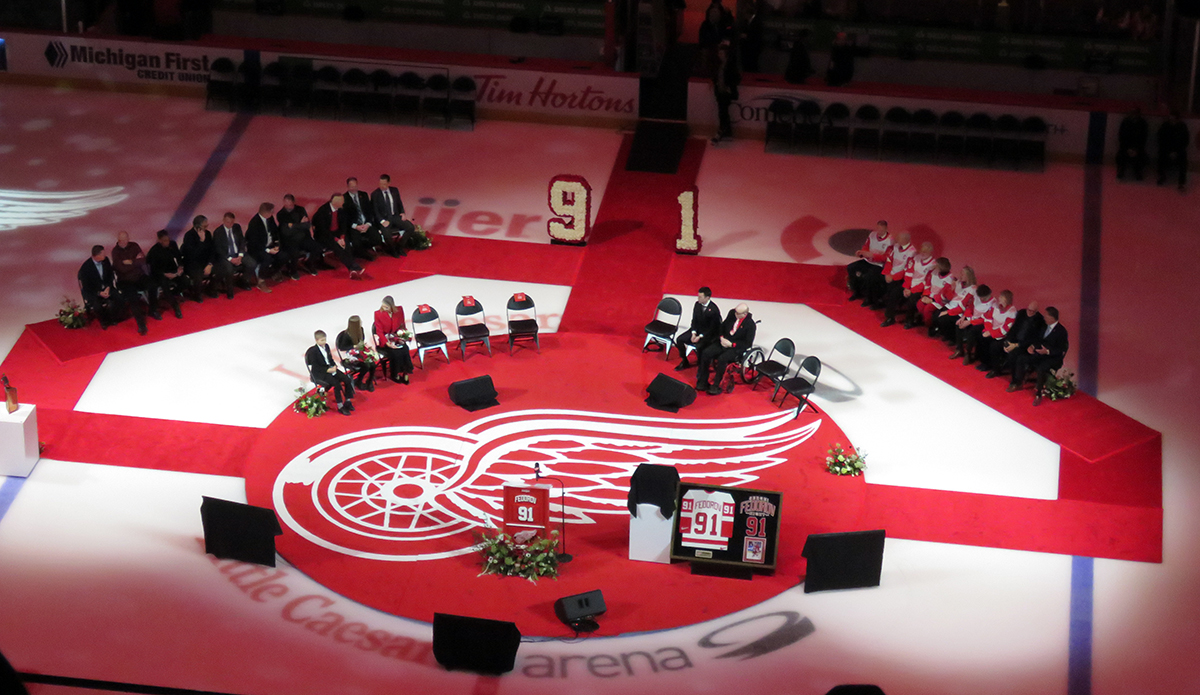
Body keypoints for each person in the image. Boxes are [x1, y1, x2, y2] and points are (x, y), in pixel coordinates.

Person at [1008, 306, 1069, 406]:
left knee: (1041, 368)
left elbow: (1061, 349)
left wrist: (1047, 351)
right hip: (1039, 353)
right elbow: (1037, 339)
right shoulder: (1044, 326)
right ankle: (1018, 382)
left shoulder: (1061, 331)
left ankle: (1039, 394)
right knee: (1021, 358)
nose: (1044, 317)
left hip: (1052, 357)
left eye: (1046, 316)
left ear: (1051, 318)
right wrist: (1032, 346)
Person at [79, 244, 146, 334]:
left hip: (107, 287)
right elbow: (87, 286)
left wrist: (108, 287)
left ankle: (114, 317)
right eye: (102, 254)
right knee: (97, 305)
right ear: (96, 256)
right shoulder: (86, 268)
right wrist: (99, 292)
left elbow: (110, 275)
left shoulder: (105, 260)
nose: (105, 255)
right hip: (94, 291)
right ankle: (104, 321)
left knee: (119, 298)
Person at [698, 303, 755, 396]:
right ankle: (702, 381)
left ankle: (716, 385)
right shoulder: (732, 314)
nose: (735, 314)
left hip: (735, 347)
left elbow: (748, 343)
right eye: (735, 312)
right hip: (723, 341)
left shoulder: (750, 325)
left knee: (722, 359)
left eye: (738, 313)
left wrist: (732, 344)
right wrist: (721, 337)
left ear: (745, 314)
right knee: (706, 353)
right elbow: (722, 326)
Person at [213, 212, 268, 298]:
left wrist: (240, 255)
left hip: (238, 254)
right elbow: (219, 249)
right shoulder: (218, 232)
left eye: (232, 222)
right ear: (223, 220)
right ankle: (230, 290)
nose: (230, 224)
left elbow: (242, 241)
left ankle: (244, 281)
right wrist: (231, 259)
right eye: (228, 222)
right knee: (229, 269)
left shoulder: (237, 227)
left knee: (252, 263)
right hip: (226, 256)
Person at [111, 230, 163, 322]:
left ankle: (153, 310)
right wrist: (136, 262)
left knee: (153, 285)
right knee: (132, 296)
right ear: (119, 240)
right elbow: (121, 268)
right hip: (125, 280)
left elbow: (143, 260)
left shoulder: (134, 246)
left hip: (139, 276)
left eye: (126, 239)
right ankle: (140, 320)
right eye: (122, 240)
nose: (125, 241)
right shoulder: (115, 252)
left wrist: (131, 262)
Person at [886, 241, 937, 328]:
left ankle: (910, 321)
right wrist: (906, 287)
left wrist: (912, 290)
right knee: (895, 293)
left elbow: (926, 282)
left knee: (913, 299)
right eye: (922, 251)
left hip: (920, 289)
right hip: (909, 285)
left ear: (931, 252)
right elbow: (908, 273)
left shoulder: (933, 265)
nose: (923, 253)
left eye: (925, 252)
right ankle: (890, 317)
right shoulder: (915, 259)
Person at [987, 301, 1044, 379]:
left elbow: (1033, 339)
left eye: (1032, 311)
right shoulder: (1021, 313)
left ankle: (1015, 380)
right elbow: (1013, 328)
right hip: (1014, 340)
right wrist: (1008, 341)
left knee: (1013, 354)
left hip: (1024, 344)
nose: (1030, 312)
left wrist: (1017, 345)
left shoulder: (1040, 321)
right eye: (1029, 310)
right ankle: (995, 370)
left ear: (1036, 311)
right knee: (994, 346)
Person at [312, 193, 364, 278]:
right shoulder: (323, 211)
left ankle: (352, 267)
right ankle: (353, 267)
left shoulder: (341, 210)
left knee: (346, 244)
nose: (343, 202)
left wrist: (342, 237)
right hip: (325, 235)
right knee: (337, 246)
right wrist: (337, 240)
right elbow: (323, 230)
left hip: (337, 233)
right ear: (335, 202)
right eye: (342, 201)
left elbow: (343, 225)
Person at [305, 330, 356, 416]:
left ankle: (348, 401)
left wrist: (334, 366)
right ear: (316, 340)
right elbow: (315, 366)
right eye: (322, 340)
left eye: (325, 339)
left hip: (330, 369)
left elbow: (330, 359)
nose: (324, 342)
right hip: (320, 372)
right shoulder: (313, 351)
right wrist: (327, 370)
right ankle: (340, 406)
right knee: (337, 384)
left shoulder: (327, 346)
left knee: (347, 379)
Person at [674, 286, 722, 371]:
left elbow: (712, 328)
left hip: (708, 334)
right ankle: (684, 361)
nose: (698, 298)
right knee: (679, 339)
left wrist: (700, 336)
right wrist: (693, 333)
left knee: (700, 346)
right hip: (697, 330)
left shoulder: (714, 310)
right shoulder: (697, 305)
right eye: (698, 296)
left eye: (700, 297)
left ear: (707, 297)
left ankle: (702, 366)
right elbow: (694, 320)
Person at [246, 202, 297, 281]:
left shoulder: (270, 218)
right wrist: (268, 250)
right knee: (267, 259)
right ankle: (261, 279)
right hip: (258, 249)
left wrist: (276, 244)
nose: (273, 213)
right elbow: (254, 243)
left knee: (284, 256)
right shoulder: (254, 223)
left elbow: (275, 232)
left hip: (270, 246)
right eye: (272, 211)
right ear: (267, 212)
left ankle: (272, 272)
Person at [847, 221, 892, 304]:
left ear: (886, 229)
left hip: (878, 264)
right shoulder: (872, 235)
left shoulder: (890, 241)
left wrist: (873, 255)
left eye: (881, 230)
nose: (879, 232)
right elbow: (866, 246)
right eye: (878, 229)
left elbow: (887, 257)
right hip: (867, 261)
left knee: (869, 276)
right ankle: (857, 292)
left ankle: (869, 298)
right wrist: (862, 252)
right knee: (851, 267)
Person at [971, 289, 1016, 372]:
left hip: (1002, 336)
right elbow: (988, 318)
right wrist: (988, 330)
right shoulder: (995, 306)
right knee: (981, 338)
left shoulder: (1012, 312)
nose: (999, 298)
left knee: (994, 346)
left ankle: (995, 369)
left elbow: (1005, 329)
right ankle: (984, 362)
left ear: (1006, 299)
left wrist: (991, 333)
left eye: (1001, 297)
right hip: (991, 330)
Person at [278, 194, 323, 276]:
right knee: (294, 252)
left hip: (304, 238)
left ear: (293, 202)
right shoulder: (281, 214)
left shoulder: (301, 210)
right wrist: (300, 224)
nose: (288, 206)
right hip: (290, 240)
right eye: (286, 204)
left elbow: (307, 225)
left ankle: (309, 263)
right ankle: (293, 270)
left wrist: (293, 226)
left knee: (318, 247)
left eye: (290, 204)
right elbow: (287, 232)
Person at [145, 229, 187, 319]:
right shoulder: (154, 251)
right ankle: (176, 307)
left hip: (172, 270)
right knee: (165, 286)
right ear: (160, 240)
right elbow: (154, 268)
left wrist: (180, 266)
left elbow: (178, 256)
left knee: (185, 281)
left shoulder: (173, 244)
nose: (167, 242)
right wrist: (165, 274)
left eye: (168, 240)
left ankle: (174, 293)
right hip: (160, 273)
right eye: (164, 241)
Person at [374, 296, 414, 384]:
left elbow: (402, 325)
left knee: (405, 349)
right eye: (383, 306)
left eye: (386, 307)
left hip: (396, 337)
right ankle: (395, 374)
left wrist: (404, 335)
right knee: (395, 353)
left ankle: (406, 372)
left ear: (391, 306)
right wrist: (387, 343)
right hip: (386, 340)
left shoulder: (399, 310)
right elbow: (379, 331)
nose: (384, 308)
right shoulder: (378, 314)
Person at [876, 231, 916, 320]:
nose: (897, 240)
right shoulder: (896, 247)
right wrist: (887, 273)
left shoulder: (911, 252)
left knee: (894, 292)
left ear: (906, 240)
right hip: (891, 274)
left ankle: (890, 317)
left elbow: (907, 270)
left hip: (902, 278)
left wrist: (893, 277)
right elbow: (889, 260)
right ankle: (877, 301)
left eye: (899, 239)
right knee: (874, 277)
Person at [371, 174, 414, 256]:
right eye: (380, 184)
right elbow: (375, 211)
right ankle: (393, 250)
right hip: (384, 219)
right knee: (387, 234)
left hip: (395, 216)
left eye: (384, 184)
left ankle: (400, 247)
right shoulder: (375, 194)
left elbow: (399, 203)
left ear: (389, 183)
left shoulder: (394, 190)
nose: (382, 186)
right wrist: (382, 221)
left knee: (410, 227)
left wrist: (402, 213)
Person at [951, 284, 994, 364]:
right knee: (959, 324)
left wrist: (970, 322)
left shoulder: (993, 304)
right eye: (980, 297)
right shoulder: (976, 298)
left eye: (984, 298)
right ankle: (959, 349)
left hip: (981, 322)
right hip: (972, 318)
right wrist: (964, 317)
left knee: (972, 331)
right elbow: (970, 308)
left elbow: (985, 319)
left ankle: (968, 353)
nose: (981, 299)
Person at [933, 266, 977, 341]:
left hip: (958, 311)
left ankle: (952, 338)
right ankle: (943, 332)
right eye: (961, 273)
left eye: (963, 274)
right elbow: (948, 296)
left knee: (943, 319)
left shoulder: (972, 289)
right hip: (950, 306)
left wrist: (947, 312)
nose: (960, 275)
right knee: (935, 315)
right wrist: (951, 288)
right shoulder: (958, 284)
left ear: (968, 276)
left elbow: (963, 307)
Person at [344, 177, 382, 261]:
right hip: (354, 226)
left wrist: (368, 224)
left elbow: (369, 211)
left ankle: (362, 249)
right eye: (351, 187)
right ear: (348, 187)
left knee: (377, 239)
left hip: (366, 223)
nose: (354, 188)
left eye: (355, 186)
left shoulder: (363, 195)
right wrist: (356, 226)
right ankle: (362, 253)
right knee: (356, 242)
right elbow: (344, 217)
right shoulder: (344, 198)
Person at [181, 215, 217, 302]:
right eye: (204, 226)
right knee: (198, 275)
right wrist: (201, 241)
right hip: (193, 263)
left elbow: (212, 250)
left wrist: (210, 264)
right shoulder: (189, 236)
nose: (206, 228)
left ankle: (210, 289)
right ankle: (196, 294)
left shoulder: (208, 234)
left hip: (205, 261)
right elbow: (192, 255)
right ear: (197, 226)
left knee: (220, 269)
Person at [711, 42, 741, 145]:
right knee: (723, 112)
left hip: (725, 93)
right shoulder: (719, 64)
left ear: (725, 54)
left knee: (723, 112)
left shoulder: (730, 65)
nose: (719, 55)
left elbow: (737, 78)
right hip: (720, 92)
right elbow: (716, 76)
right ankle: (726, 132)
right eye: (719, 53)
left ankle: (721, 132)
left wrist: (729, 87)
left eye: (721, 53)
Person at [336, 316, 376, 393]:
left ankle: (369, 381)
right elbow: (342, 347)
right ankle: (359, 381)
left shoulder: (361, 330)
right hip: (351, 355)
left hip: (359, 351)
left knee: (373, 365)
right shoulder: (346, 335)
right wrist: (354, 346)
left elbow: (362, 340)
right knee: (365, 366)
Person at [913, 257, 955, 330]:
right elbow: (928, 285)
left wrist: (932, 300)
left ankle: (931, 326)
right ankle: (923, 320)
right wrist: (925, 295)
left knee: (928, 309)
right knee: (920, 304)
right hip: (930, 296)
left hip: (940, 300)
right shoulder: (933, 273)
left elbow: (945, 294)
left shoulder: (950, 279)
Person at [1156, 111, 1189, 191]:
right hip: (1166, 149)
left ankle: (1181, 182)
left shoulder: (1182, 127)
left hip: (1178, 150)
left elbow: (1185, 141)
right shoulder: (1165, 126)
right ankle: (1162, 176)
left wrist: (1176, 152)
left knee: (1183, 161)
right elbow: (1161, 140)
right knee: (1161, 156)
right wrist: (1169, 152)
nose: (1172, 120)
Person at [1116, 108, 1148, 181]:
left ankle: (1138, 171)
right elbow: (1121, 137)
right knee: (1121, 155)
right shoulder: (1125, 122)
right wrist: (1128, 149)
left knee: (1142, 157)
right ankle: (1121, 169)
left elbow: (1143, 139)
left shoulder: (1143, 123)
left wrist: (1136, 149)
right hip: (1126, 147)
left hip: (1137, 147)